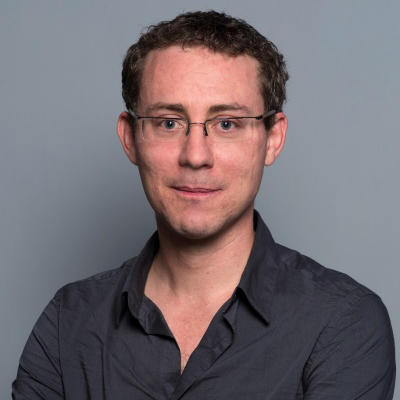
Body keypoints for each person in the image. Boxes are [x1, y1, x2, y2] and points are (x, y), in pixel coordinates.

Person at [12, 10, 395, 399]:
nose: (195, 156)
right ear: (130, 139)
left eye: (227, 123)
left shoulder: (345, 323)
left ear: (273, 139)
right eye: (169, 122)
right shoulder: (68, 322)